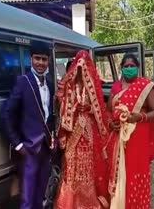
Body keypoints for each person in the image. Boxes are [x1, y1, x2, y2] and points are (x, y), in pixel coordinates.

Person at [2, 43, 55, 209]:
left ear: (48, 61)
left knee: (40, 195)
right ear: (30, 59)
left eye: (44, 59)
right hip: (29, 150)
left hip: (46, 148)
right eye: (37, 58)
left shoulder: (50, 83)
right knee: (27, 199)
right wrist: (18, 144)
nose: (40, 62)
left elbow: (49, 115)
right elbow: (7, 115)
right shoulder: (23, 82)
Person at [54, 50, 110, 209]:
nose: (81, 69)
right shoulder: (67, 85)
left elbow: (101, 109)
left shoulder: (93, 86)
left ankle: (88, 202)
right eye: (78, 66)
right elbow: (60, 104)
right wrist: (69, 103)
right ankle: (70, 202)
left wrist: (90, 108)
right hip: (72, 131)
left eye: (84, 66)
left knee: (87, 167)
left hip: (88, 133)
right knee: (71, 165)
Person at [107, 53, 154, 209]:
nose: (129, 68)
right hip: (118, 139)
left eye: (132, 66)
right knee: (119, 174)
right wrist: (111, 123)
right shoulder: (116, 86)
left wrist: (140, 116)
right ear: (121, 68)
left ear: (138, 68)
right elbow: (108, 110)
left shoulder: (146, 86)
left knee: (135, 171)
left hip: (138, 137)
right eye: (126, 66)